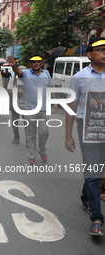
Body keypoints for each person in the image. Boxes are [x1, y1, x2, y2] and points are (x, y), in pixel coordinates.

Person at [65, 37, 105, 236]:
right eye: (101, 49)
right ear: (90, 55)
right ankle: (97, 218)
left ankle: (86, 197)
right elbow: (71, 107)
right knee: (92, 173)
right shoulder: (79, 77)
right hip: (87, 129)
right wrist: (68, 135)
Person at [7, 54, 58, 165]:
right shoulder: (25, 73)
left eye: (38, 62)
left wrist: (55, 102)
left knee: (45, 132)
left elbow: (51, 87)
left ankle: (42, 150)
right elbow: (18, 72)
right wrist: (14, 66)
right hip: (29, 109)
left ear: (42, 63)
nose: (36, 63)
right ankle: (31, 155)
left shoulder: (46, 74)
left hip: (44, 109)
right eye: (33, 62)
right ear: (30, 64)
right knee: (30, 134)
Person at [7, 66, 26, 144]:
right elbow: (9, 91)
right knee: (15, 123)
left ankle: (28, 140)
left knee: (27, 124)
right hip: (15, 105)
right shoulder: (13, 79)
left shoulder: (29, 80)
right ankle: (16, 137)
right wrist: (17, 93)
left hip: (27, 106)